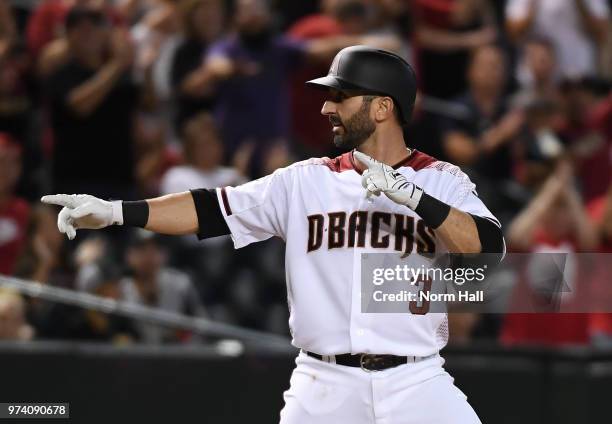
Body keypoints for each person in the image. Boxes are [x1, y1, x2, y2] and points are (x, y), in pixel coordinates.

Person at [42, 46, 504, 423]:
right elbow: (212, 208)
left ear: (383, 107)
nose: (326, 106)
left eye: (341, 96)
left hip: (415, 382)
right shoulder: (303, 181)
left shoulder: (442, 180)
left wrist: (417, 199)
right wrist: (118, 212)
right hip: (324, 386)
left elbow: (489, 248)